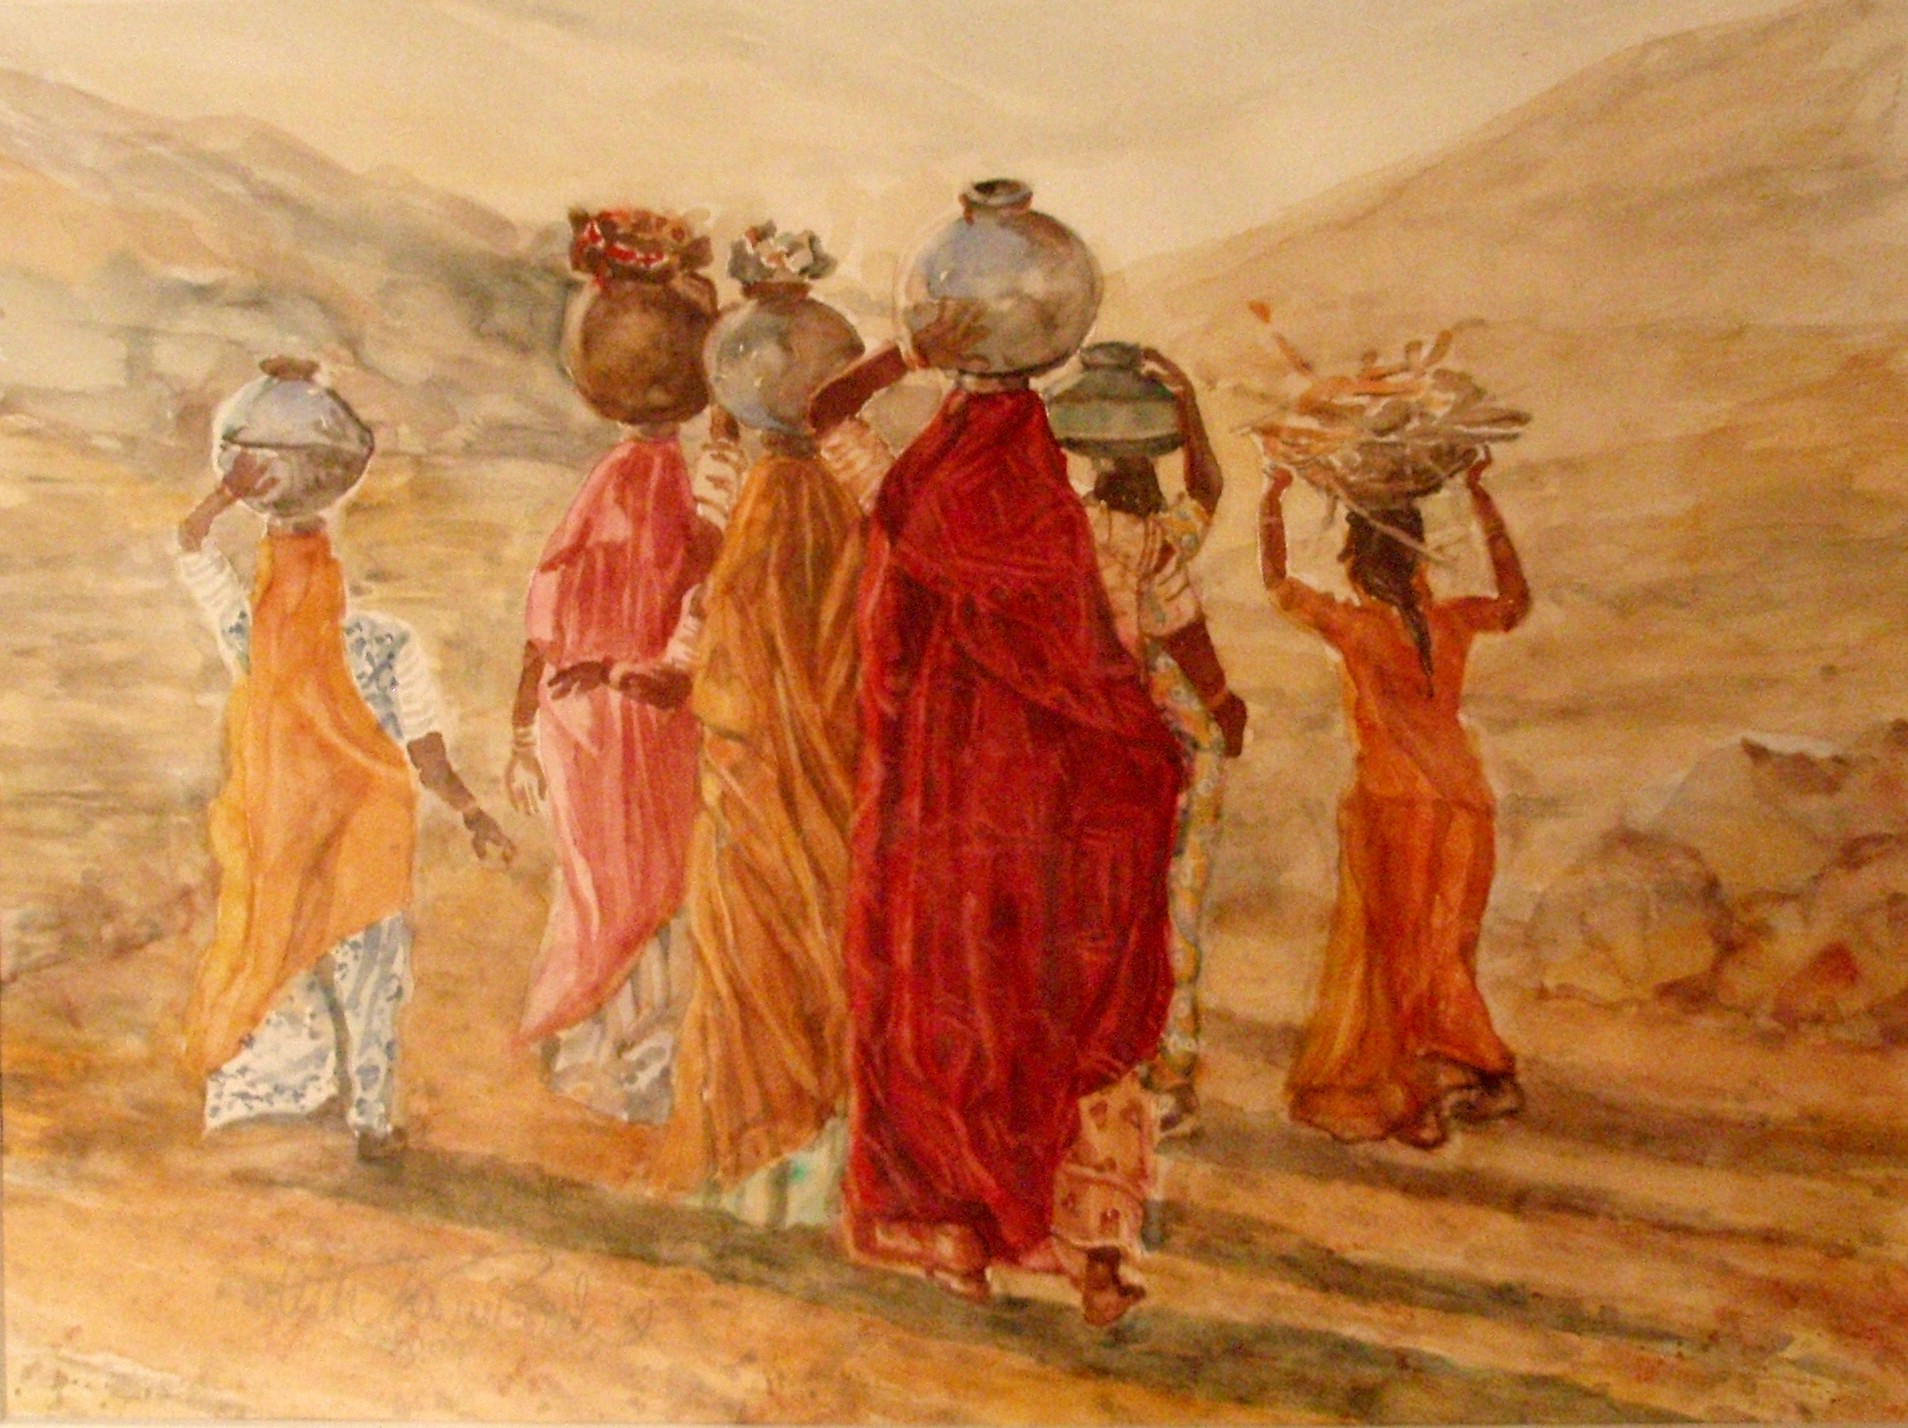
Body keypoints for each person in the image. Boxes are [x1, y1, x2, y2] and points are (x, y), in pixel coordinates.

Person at [816, 337, 1185, 1326]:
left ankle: (953, 1234)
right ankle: (1085, 1247)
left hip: (938, 825)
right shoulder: (1059, 528)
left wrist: (911, 352)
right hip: (1044, 830)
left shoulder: (908, 493)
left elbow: (827, 415)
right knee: (1052, 1016)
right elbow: (1103, 680)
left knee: (939, 1007)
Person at [177, 442, 512, 1163]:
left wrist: (230, 496)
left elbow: (193, 545)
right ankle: (369, 1117)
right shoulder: (383, 643)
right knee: (371, 982)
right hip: (368, 840)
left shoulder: (257, 641)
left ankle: (308, 1099)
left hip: (292, 840)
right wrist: (470, 812)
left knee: (286, 963)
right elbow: (427, 753)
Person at [632, 227, 868, 1226]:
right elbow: (717, 594)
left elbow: (713, 589)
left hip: (772, 758)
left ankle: (771, 1170)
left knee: (767, 936)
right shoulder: (833, 493)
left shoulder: (787, 495)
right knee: (796, 931)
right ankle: (790, 1170)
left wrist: (681, 671)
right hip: (794, 761)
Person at [506, 208, 741, 1124]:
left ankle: (610, 1056)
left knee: (615, 882)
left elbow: (547, 616)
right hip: (638, 711)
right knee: (646, 880)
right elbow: (694, 588)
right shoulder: (667, 482)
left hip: (605, 712)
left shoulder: (633, 481)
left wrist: (526, 725)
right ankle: (627, 1061)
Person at [1258, 453, 1530, 1150]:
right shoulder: (1451, 622)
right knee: (1445, 945)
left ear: (1358, 565)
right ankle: (1477, 1072)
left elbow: (1279, 584)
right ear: (1418, 564)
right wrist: (1482, 499)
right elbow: (1514, 603)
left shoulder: (1357, 627)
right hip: (1464, 803)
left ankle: (1422, 1094)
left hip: (1394, 805)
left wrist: (1273, 495)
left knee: (1398, 955)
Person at [1078, 348, 1248, 1139]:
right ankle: (1170, 1072)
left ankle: (1097, 1059)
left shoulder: (1068, 531)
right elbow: (1207, 492)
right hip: (1164, 736)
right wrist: (1187, 399)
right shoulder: (1159, 538)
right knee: (1176, 904)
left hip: (1089, 732)